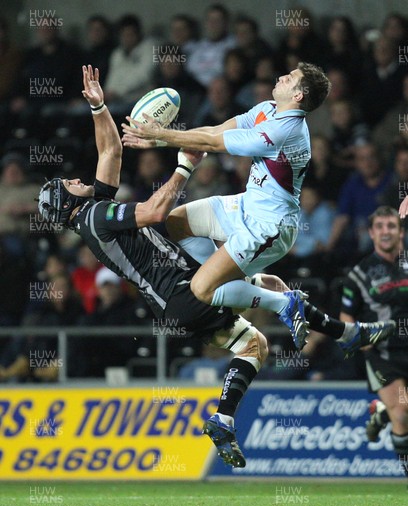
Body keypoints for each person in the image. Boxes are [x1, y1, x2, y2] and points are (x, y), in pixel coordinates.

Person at [36, 65, 394, 468]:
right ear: (69, 204)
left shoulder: (91, 208)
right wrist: (181, 161)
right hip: (184, 294)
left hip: (187, 287)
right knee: (236, 282)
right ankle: (285, 305)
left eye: (290, 76)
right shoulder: (95, 217)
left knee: (253, 343)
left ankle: (226, 416)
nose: (76, 179)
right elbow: (155, 209)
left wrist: (100, 106)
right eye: (68, 184)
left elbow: (111, 151)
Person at [122, 62, 332, 350]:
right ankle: (228, 284)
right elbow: (216, 130)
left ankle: (283, 302)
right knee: (177, 221)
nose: (282, 76)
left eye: (290, 78)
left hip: (269, 227)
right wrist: (158, 139)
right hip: (245, 205)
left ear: (298, 96)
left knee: (201, 288)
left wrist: (161, 134)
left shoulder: (286, 132)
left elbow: (214, 142)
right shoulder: (268, 109)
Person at [340, 206, 408, 478]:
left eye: (391, 226)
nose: (385, 232)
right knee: (402, 413)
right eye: (379, 227)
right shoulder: (360, 273)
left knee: (403, 409)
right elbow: (346, 313)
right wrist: (360, 341)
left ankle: (381, 414)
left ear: (401, 231)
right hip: (384, 353)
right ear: (371, 233)